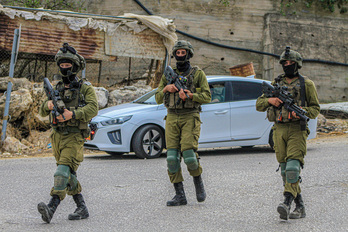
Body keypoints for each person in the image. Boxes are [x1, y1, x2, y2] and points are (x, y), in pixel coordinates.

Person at [256, 47, 320, 220]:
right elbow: (259, 104)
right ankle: (300, 206)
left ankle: (286, 202)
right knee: (285, 170)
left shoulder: (307, 84)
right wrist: (270, 100)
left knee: (292, 168)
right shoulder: (276, 83)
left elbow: (315, 109)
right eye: (285, 63)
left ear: (297, 64)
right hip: (279, 129)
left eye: (291, 63)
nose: (288, 65)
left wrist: (300, 111)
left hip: (297, 129)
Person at [37, 43, 98, 223]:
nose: (65, 68)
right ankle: (82, 207)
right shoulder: (56, 88)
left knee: (61, 173)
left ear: (75, 66)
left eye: (68, 65)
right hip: (57, 136)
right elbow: (41, 112)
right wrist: (47, 105)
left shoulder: (84, 88)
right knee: (69, 174)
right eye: (62, 65)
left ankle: (51, 208)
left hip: (74, 136)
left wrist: (74, 114)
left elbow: (93, 108)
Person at [155, 40, 211, 206]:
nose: (180, 55)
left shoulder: (197, 73)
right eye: (178, 53)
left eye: (183, 52)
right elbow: (158, 97)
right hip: (172, 116)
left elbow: (207, 97)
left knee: (189, 156)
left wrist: (191, 95)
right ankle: (179, 195)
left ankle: (198, 182)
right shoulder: (168, 75)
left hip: (190, 116)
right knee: (172, 158)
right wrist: (167, 89)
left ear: (189, 54)